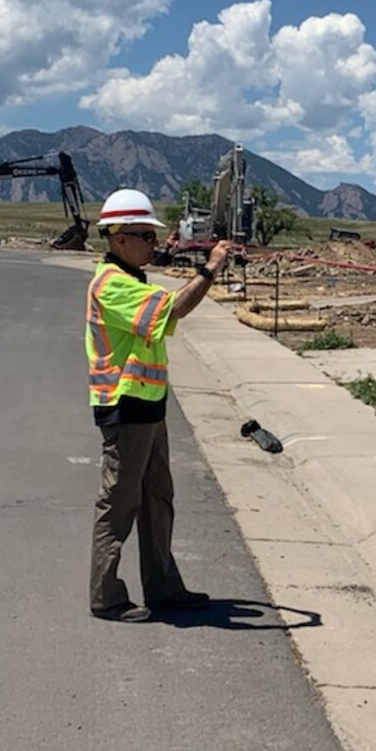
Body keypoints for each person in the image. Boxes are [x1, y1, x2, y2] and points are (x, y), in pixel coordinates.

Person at [85, 188, 230, 623]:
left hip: (148, 406)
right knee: (119, 503)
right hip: (124, 407)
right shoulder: (112, 286)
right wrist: (210, 270)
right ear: (118, 238)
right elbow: (174, 310)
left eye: (153, 235)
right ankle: (106, 596)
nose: (154, 243)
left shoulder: (132, 280)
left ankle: (164, 587)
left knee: (157, 498)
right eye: (146, 236)